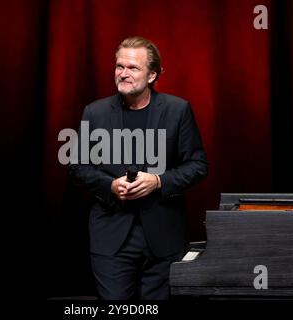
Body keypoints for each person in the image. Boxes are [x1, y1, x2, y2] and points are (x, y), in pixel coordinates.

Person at [68, 36, 208, 300]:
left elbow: (198, 165)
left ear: (152, 75)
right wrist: (109, 185)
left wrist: (158, 181)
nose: (123, 73)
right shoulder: (95, 112)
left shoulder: (178, 110)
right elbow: (77, 168)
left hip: (164, 237)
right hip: (111, 237)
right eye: (120, 67)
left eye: (133, 68)